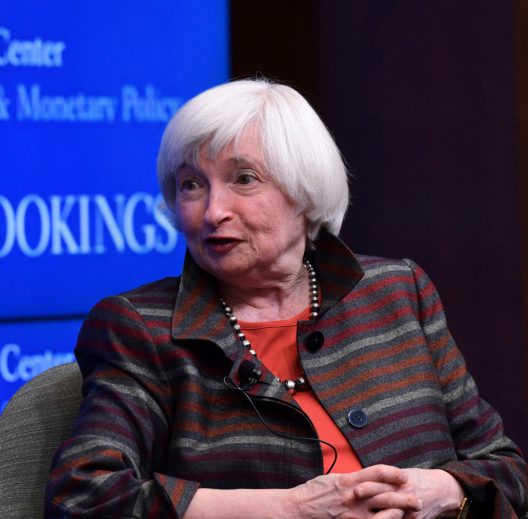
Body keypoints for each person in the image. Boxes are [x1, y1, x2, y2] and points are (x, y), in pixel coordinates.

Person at [44, 79, 528, 518]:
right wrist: (291, 510)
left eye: (244, 179)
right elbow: (85, 496)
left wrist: (440, 490)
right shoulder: (139, 327)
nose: (213, 211)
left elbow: (506, 469)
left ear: (304, 189)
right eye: (191, 185)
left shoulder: (398, 292)